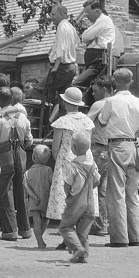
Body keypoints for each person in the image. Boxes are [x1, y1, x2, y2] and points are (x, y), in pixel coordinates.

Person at [93, 68, 139, 248]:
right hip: (134, 145)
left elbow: (101, 123)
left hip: (116, 145)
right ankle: (135, 236)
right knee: (132, 194)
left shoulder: (111, 101)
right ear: (131, 82)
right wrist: (138, 132)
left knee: (116, 193)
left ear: (115, 83)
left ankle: (119, 238)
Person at [47, 86, 95, 242]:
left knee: (66, 199)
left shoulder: (62, 122)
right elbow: (88, 143)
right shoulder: (87, 121)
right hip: (85, 160)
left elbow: (56, 147)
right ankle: (79, 237)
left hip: (66, 160)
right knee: (82, 197)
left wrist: (59, 162)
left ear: (66, 103)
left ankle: (67, 237)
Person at [0, 87, 33, 241]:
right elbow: (29, 141)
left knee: (5, 192)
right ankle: (25, 229)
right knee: (21, 191)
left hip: (4, 154)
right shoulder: (23, 117)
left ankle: (10, 231)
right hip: (20, 153)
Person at [59, 129, 100, 264]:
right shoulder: (93, 165)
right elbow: (97, 181)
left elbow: (67, 184)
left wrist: (69, 196)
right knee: (83, 232)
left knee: (65, 226)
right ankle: (83, 256)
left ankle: (77, 249)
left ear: (74, 148)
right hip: (90, 203)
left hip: (77, 202)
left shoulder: (74, 166)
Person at [85, 75, 114, 236]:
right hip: (111, 149)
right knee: (103, 190)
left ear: (104, 89)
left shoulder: (99, 104)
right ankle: (102, 224)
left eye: (95, 91)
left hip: (98, 149)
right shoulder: (116, 104)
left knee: (90, 186)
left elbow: (86, 122)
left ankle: (90, 223)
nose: (93, 94)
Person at [75, 0, 116, 101]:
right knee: (90, 92)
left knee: (76, 84)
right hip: (93, 61)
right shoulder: (98, 22)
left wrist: (91, 38)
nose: (86, 16)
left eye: (88, 13)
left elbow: (85, 36)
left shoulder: (104, 20)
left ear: (97, 11)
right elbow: (86, 37)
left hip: (98, 61)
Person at [46, 3, 80, 118]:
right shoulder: (71, 27)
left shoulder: (62, 26)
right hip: (70, 67)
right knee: (64, 100)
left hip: (62, 67)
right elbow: (76, 44)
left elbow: (61, 47)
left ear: (61, 14)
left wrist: (56, 66)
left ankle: (43, 124)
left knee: (40, 91)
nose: (51, 17)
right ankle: (62, 121)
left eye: (53, 14)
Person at [24, 144, 54, 249]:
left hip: (33, 200)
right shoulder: (48, 170)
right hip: (46, 199)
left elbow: (26, 187)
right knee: (46, 219)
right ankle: (40, 237)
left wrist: (34, 196)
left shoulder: (28, 172)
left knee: (36, 220)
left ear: (33, 157)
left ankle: (39, 241)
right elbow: (52, 183)